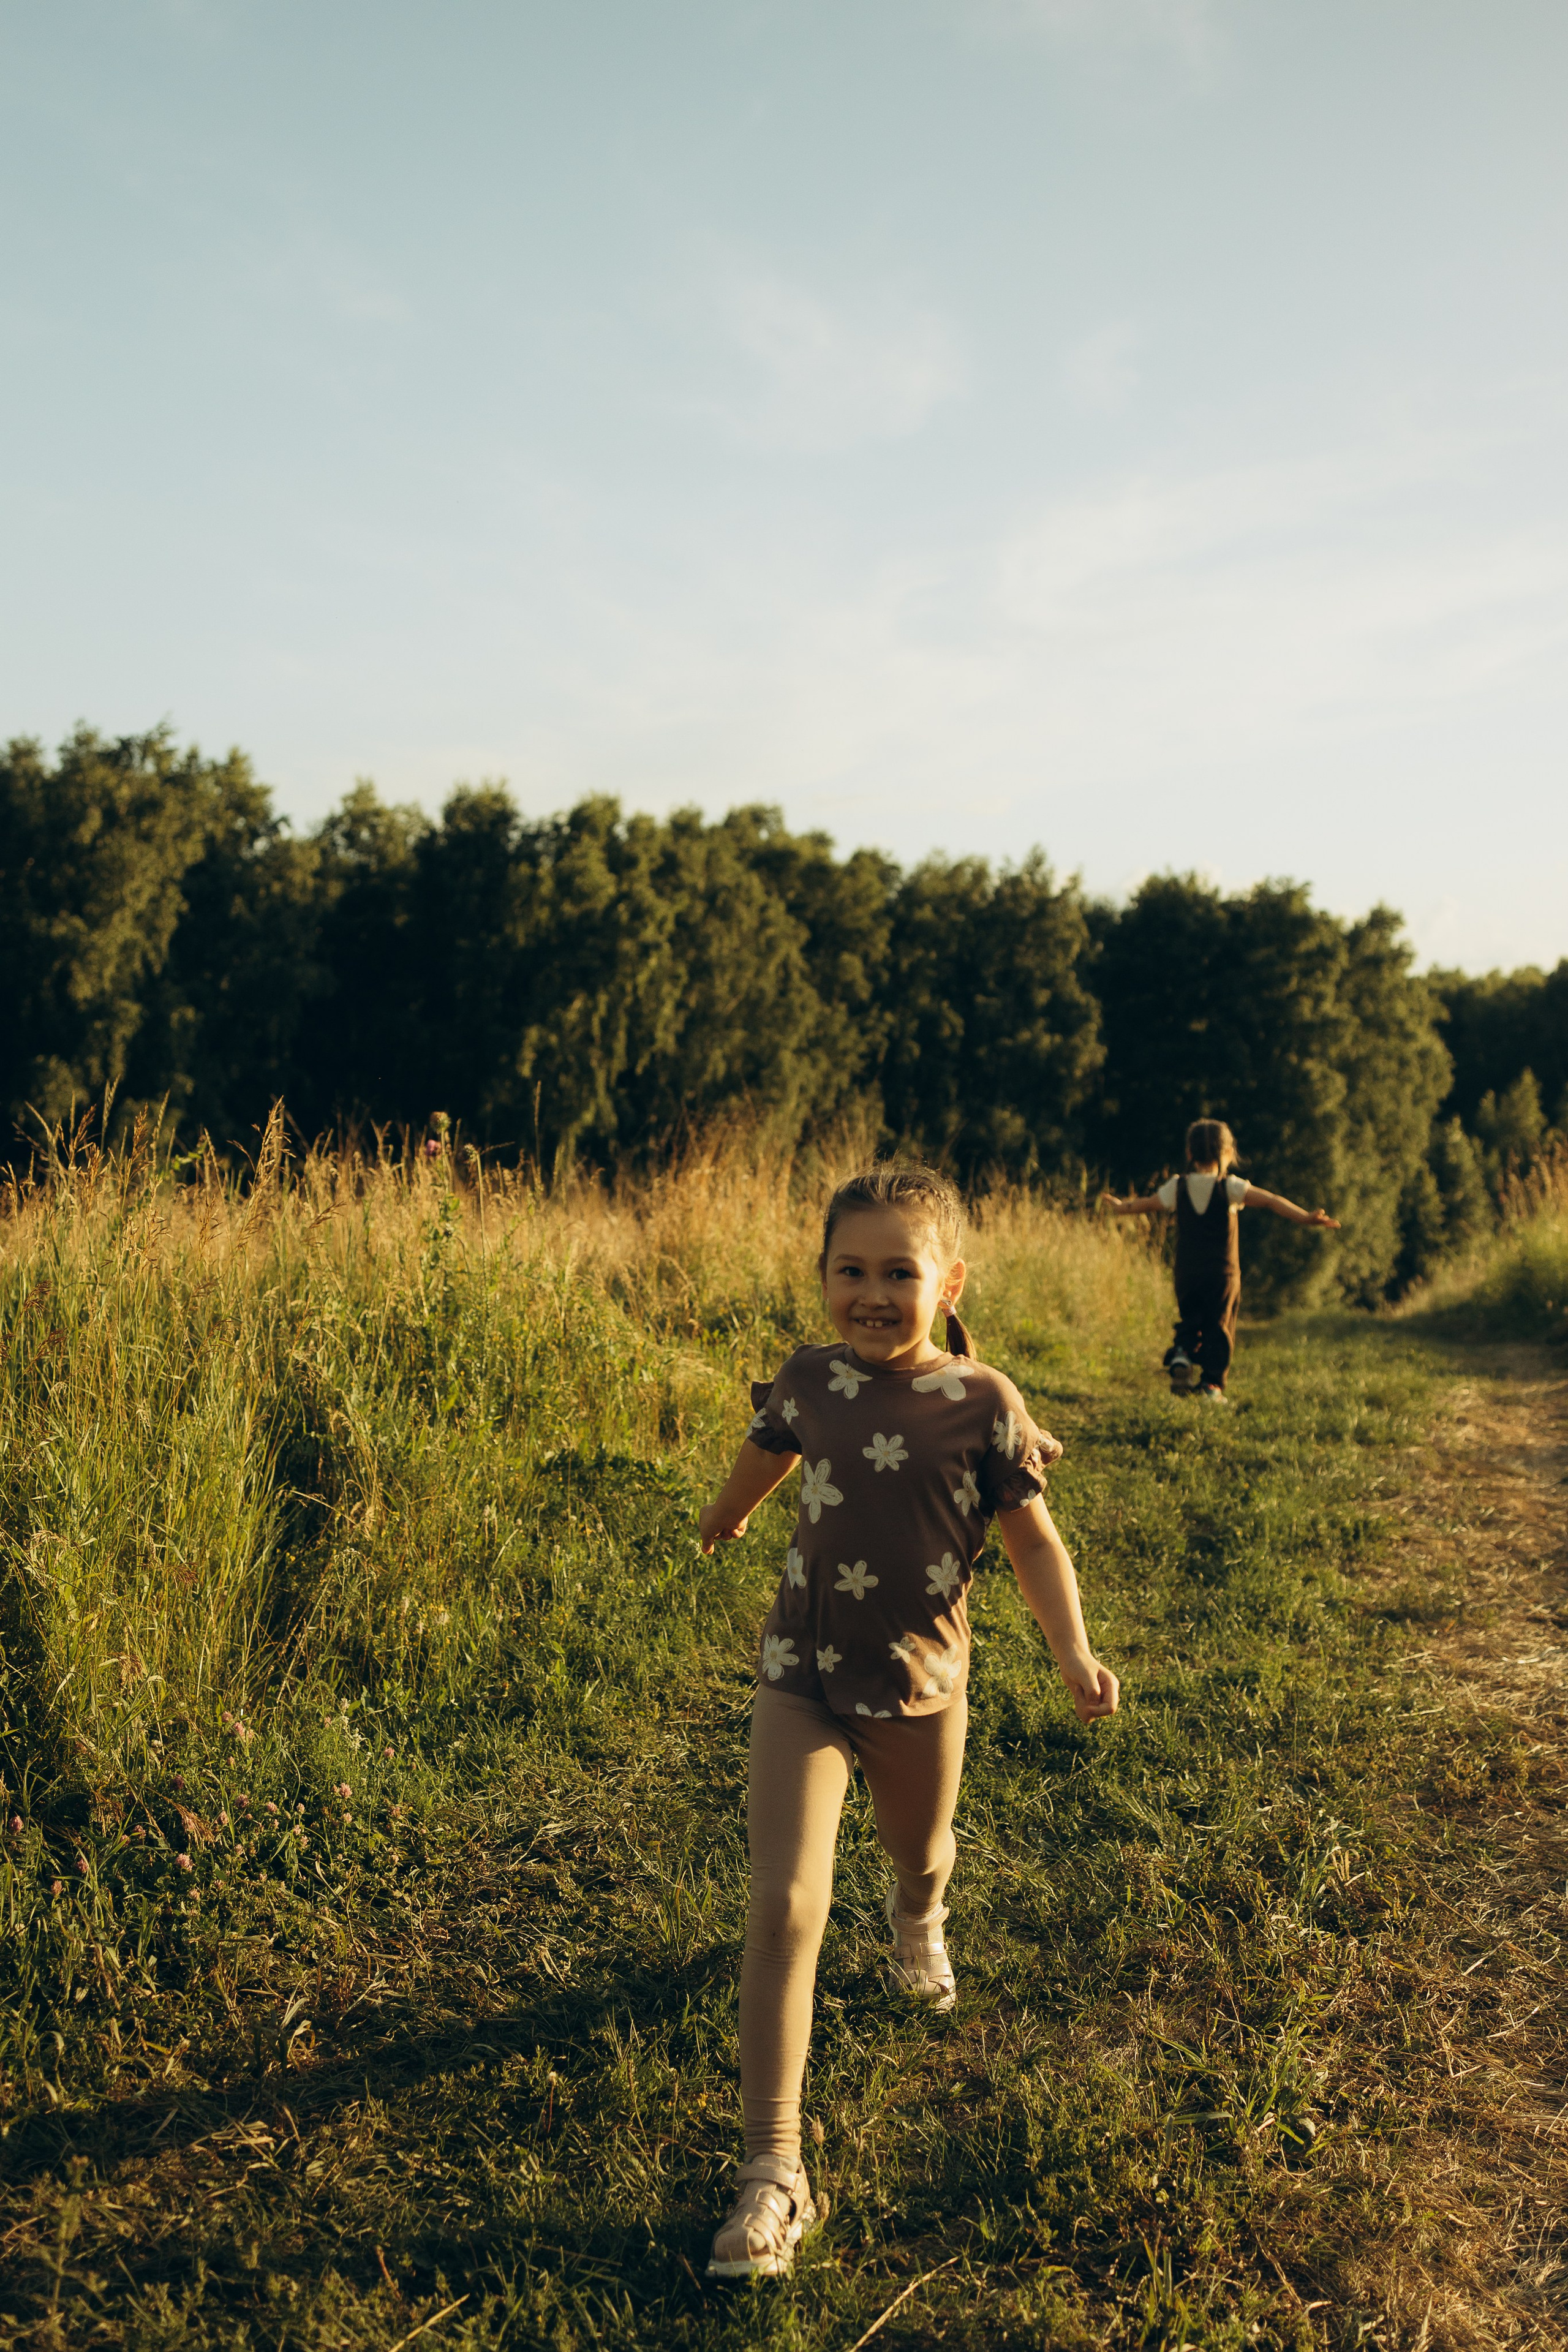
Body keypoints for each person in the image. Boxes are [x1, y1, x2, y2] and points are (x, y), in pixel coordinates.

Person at [698, 1163, 1118, 2280]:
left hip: (922, 1685)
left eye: (899, 1272)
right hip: (802, 1674)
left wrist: (1072, 1652)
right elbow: (769, 1447)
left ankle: (919, 1920)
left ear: (949, 1282)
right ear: (823, 1276)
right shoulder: (810, 1377)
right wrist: (728, 1513)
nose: (872, 1294)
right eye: (851, 1270)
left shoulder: (982, 1402)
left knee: (918, 1850)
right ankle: (773, 2171)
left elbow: (1033, 1541)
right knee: (785, 1904)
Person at [1100, 1118, 1340, 1403]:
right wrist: (1305, 1217)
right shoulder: (1231, 1187)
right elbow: (1271, 1201)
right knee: (1220, 1325)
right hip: (1222, 1275)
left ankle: (1183, 1354)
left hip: (1187, 1272)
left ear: (1190, 1153)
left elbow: (1148, 1204)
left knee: (1191, 1317)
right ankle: (1211, 1386)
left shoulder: (1177, 1186)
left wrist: (1121, 1208)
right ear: (1227, 1152)